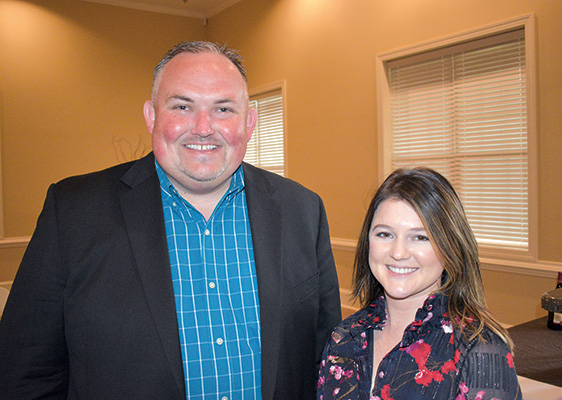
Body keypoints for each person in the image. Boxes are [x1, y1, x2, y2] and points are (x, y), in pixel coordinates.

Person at [0, 41, 341, 400]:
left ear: (250, 121)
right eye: (182, 106)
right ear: (151, 115)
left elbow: (329, 361)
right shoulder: (73, 212)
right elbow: (25, 373)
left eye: (223, 109)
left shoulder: (303, 210)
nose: (203, 128)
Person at [317, 167, 522, 400]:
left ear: (450, 247)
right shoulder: (344, 338)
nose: (399, 252)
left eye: (420, 237)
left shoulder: (480, 349)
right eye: (385, 234)